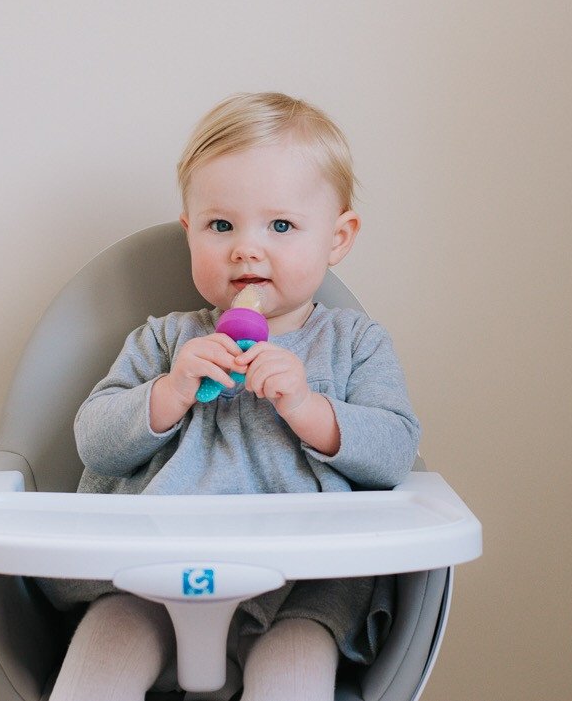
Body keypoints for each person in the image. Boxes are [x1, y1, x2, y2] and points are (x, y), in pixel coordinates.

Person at [41, 92, 421, 701]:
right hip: (149, 585)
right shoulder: (165, 340)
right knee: (102, 647)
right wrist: (170, 391)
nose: (247, 247)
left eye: (280, 226)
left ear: (337, 237)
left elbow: (395, 452)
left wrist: (305, 407)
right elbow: (95, 443)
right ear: (190, 233)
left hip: (301, 589)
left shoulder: (356, 343)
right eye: (221, 225)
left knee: (297, 669)